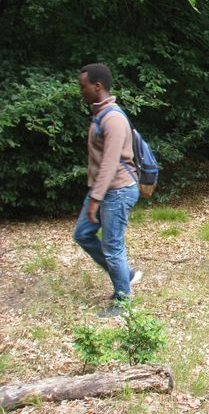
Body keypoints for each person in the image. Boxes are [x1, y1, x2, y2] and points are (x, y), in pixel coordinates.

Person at [72, 63, 142, 318]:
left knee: (113, 247)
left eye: (84, 86)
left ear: (97, 86)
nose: (81, 91)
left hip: (118, 190)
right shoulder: (100, 115)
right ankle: (126, 274)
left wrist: (96, 198)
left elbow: (111, 163)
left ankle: (123, 300)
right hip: (104, 189)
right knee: (82, 234)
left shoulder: (112, 118)